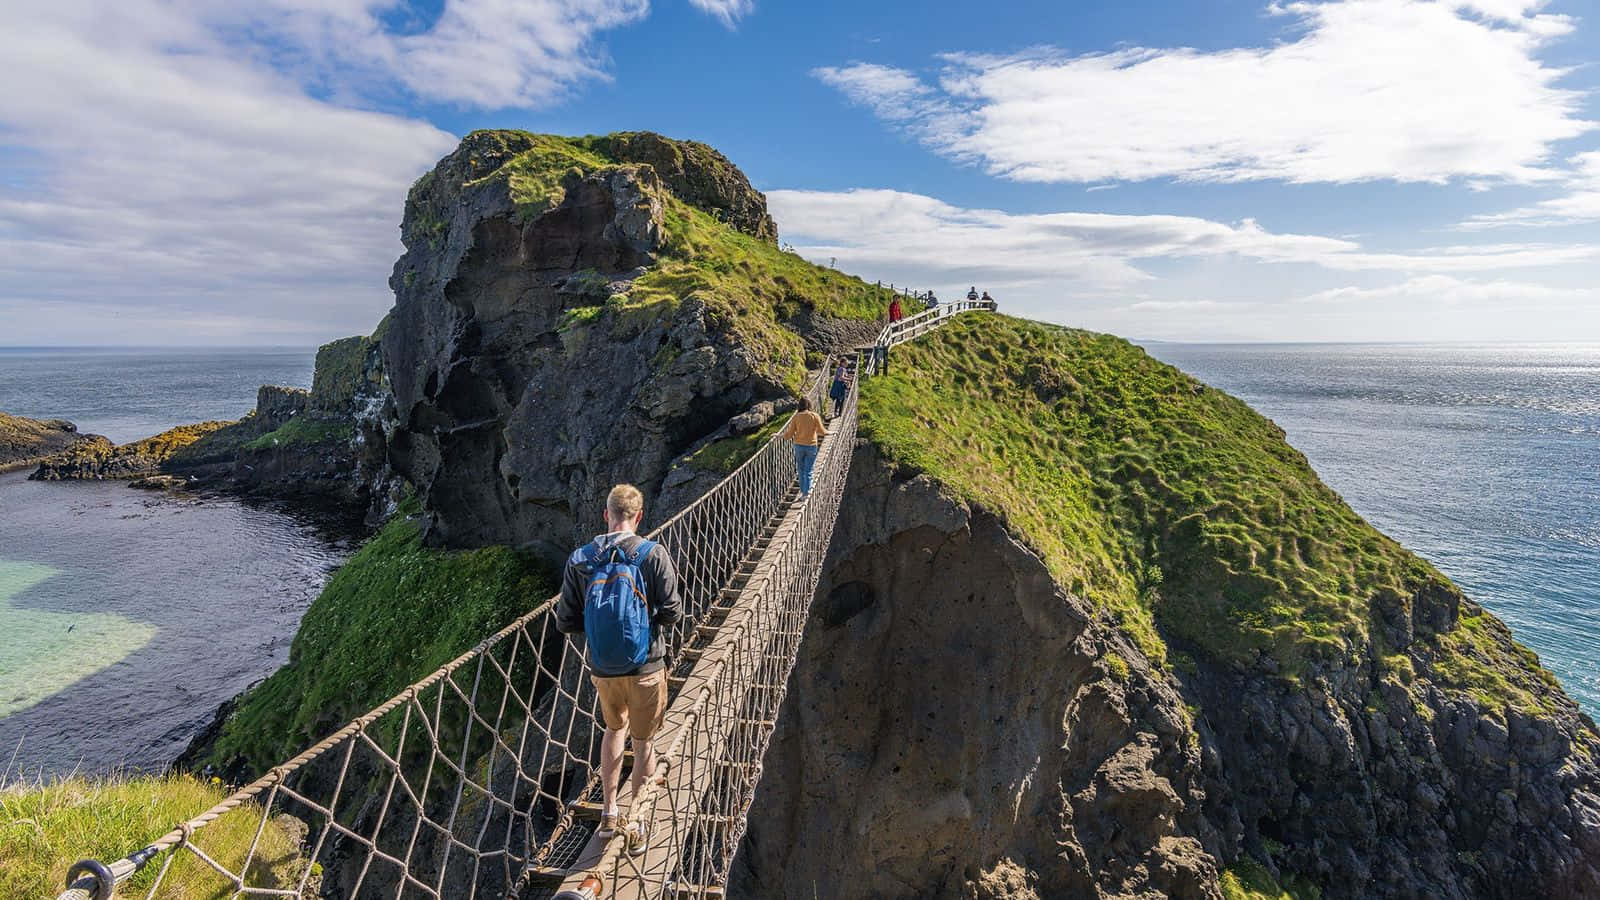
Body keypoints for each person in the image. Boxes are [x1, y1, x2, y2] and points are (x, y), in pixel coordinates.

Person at [555, 484, 683, 857]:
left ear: (605, 514)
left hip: (603, 669)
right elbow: (673, 612)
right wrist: (645, 620)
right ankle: (639, 821)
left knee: (614, 729)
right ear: (639, 516)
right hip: (646, 666)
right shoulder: (652, 553)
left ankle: (609, 812)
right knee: (644, 744)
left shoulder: (580, 559)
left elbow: (565, 621)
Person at [779, 397, 827, 497]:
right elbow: (822, 431)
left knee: (800, 470)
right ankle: (806, 493)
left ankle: (802, 490)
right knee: (808, 470)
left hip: (798, 446)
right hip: (811, 446)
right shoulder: (814, 415)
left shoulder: (796, 417)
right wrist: (831, 432)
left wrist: (778, 435)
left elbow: (789, 434)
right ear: (809, 405)